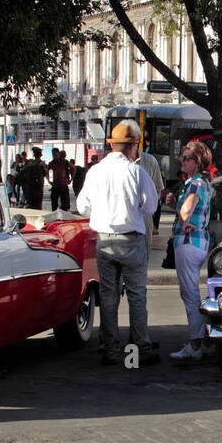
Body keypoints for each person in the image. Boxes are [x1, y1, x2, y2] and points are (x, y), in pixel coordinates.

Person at [76, 123, 160, 366]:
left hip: (104, 240)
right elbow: (150, 207)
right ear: (133, 146)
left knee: (108, 295)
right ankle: (139, 348)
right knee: (136, 294)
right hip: (131, 240)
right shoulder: (137, 172)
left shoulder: (95, 172)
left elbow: (83, 206)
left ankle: (110, 348)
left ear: (111, 145)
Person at [171, 142, 213, 363]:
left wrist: (181, 216)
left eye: (187, 158)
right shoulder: (201, 183)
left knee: (189, 295)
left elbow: (187, 210)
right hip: (198, 241)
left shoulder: (195, 184)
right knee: (192, 293)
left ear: (197, 163)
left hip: (188, 242)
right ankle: (203, 340)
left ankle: (196, 345)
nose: (182, 160)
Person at [116, 119, 164, 251]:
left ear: (138, 140)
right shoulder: (110, 165)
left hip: (143, 223)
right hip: (118, 225)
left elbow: (158, 192)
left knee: (141, 265)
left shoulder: (150, 161)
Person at [48, 147, 73, 212]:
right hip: (55, 186)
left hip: (63, 185)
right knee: (54, 205)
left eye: (56, 154)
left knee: (64, 205)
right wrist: (50, 181)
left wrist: (71, 179)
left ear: (59, 154)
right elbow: (48, 173)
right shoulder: (51, 163)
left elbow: (73, 168)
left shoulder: (65, 162)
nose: (54, 156)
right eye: (53, 154)